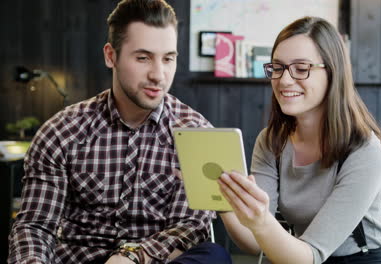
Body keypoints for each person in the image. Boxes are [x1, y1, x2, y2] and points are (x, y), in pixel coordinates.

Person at [8, 1, 231, 263]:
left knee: (213, 256)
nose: (158, 75)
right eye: (143, 57)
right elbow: (35, 226)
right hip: (79, 257)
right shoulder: (61, 132)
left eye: (168, 58)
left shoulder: (195, 134)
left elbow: (191, 225)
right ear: (110, 55)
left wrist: (133, 255)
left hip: (153, 260)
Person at [218, 16, 381, 264]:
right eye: (277, 68)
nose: (284, 80)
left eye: (301, 68)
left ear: (333, 73)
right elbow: (254, 242)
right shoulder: (271, 141)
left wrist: (262, 220)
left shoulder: (365, 150)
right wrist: (221, 201)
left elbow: (310, 256)